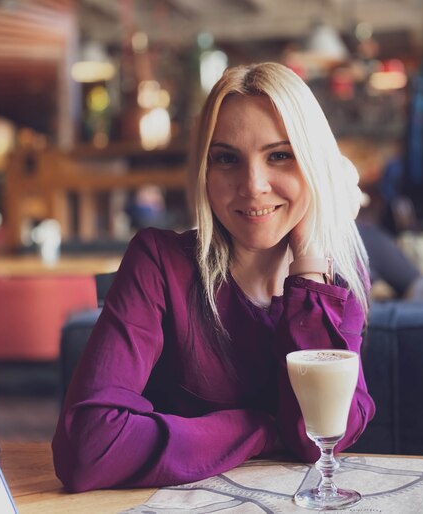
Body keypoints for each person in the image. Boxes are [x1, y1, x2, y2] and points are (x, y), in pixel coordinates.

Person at [52, 62, 375, 492]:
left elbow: (319, 436)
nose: (253, 185)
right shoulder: (159, 263)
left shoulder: (338, 277)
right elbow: (89, 449)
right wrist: (263, 428)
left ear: (312, 164)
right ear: (204, 172)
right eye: (226, 159)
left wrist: (310, 258)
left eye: (279, 155)